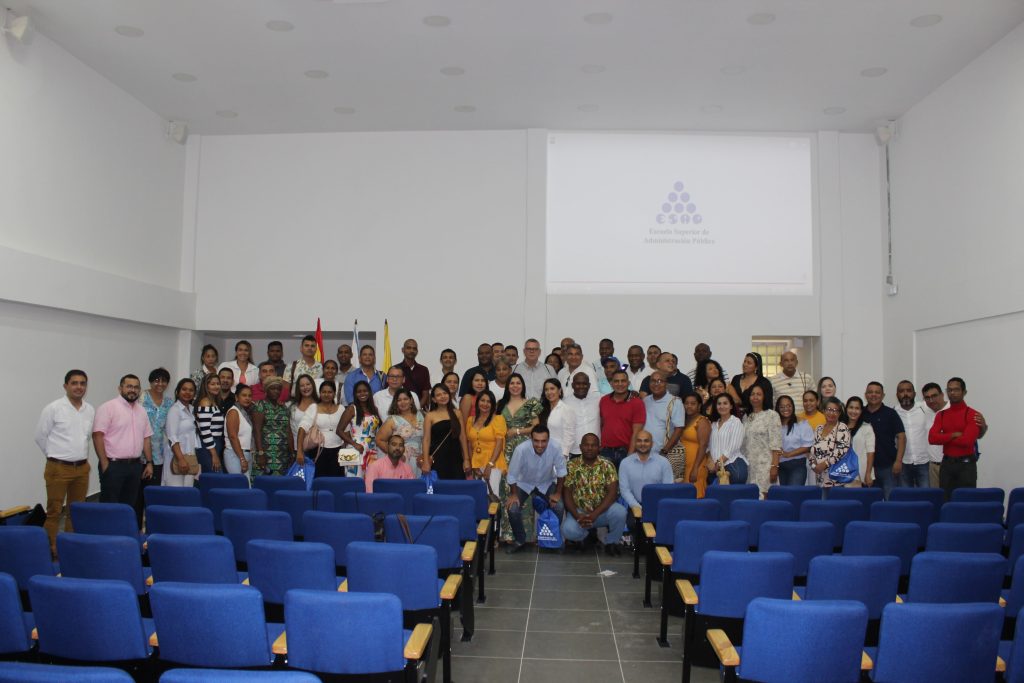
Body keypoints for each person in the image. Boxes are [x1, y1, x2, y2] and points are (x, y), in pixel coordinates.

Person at [35, 369, 95, 556]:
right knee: (54, 511)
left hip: (82, 468)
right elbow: (40, 437)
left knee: (75, 511)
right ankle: (50, 550)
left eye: (82, 383)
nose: (79, 387)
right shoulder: (53, 408)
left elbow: (85, 438)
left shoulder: (89, 410)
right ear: (65, 386)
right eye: (74, 383)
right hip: (58, 468)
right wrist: (55, 456)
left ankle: (70, 547)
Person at [92, 374, 154, 510]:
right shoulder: (108, 408)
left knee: (129, 506)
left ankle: (125, 525)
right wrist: (104, 463)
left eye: (136, 387)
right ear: (120, 388)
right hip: (113, 466)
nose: (133, 390)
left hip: (135, 466)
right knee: (110, 507)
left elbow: (146, 438)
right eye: (129, 386)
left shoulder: (142, 411)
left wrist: (149, 462)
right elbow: (97, 436)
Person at [505, 425, 567, 554]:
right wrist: (514, 494)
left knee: (559, 506)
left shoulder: (555, 447)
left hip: (546, 482)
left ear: (548, 439)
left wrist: (558, 493)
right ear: (530, 438)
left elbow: (561, 471)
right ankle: (520, 540)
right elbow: (512, 475)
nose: (540, 445)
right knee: (513, 508)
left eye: (544, 441)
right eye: (536, 441)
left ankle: (553, 539)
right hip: (524, 483)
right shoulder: (521, 450)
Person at [563, 432, 627, 555]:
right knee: (567, 530)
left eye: (593, 445)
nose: (590, 448)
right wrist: (577, 516)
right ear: (580, 447)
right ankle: (586, 536)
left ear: (599, 448)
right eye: (586, 445)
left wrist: (594, 514)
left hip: (602, 512)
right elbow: (567, 494)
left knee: (620, 512)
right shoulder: (571, 465)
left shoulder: (607, 465)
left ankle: (611, 542)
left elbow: (612, 493)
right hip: (580, 512)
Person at [498, 374, 542, 542]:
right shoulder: (500, 404)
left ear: (523, 385)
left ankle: (527, 534)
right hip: (505, 451)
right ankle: (508, 534)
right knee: (507, 488)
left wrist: (517, 431)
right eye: (512, 383)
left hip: (525, 450)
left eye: (518, 383)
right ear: (507, 386)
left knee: (525, 488)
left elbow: (536, 427)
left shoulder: (531, 403)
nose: (515, 386)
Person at [929, 377, 982, 500]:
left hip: (966, 466)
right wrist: (952, 435)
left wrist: (944, 437)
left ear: (964, 392)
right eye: (949, 390)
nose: (952, 393)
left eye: (956, 389)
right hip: (947, 465)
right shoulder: (941, 414)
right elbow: (932, 438)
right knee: (946, 501)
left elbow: (967, 441)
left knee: (967, 501)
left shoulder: (972, 414)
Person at [137, 368, 173, 527]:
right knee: (137, 495)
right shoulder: (141, 397)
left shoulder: (169, 402)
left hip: (158, 455)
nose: (160, 384)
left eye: (164, 381)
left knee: (152, 494)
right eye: (156, 380)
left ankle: (150, 527)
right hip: (137, 454)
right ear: (151, 381)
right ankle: (136, 527)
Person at [861, 382, 906, 500]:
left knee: (890, 501)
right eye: (870, 392)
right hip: (866, 467)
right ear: (865, 395)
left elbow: (901, 436)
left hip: (888, 466)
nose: (873, 395)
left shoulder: (891, 413)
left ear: (883, 395)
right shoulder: (860, 413)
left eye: (877, 392)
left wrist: (898, 461)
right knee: (868, 501)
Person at [297, 380, 346, 478]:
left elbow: (347, 431)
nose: (326, 395)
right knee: (319, 481)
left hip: (338, 452)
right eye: (324, 392)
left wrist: (346, 449)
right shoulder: (313, 408)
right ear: (320, 393)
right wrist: (299, 451)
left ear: (334, 394)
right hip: (318, 452)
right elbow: (302, 429)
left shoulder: (341, 408)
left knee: (337, 481)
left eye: (329, 392)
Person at [599, 370, 646, 469]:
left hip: (625, 451)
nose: (620, 384)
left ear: (628, 383)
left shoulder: (637, 403)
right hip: (605, 451)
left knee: (624, 479)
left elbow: (637, 432)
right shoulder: (604, 400)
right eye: (616, 381)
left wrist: (630, 456)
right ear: (611, 383)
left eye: (623, 381)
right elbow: (602, 425)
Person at [422, 384, 470, 480]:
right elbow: (426, 440)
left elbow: (462, 437)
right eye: (438, 395)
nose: (443, 396)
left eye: (445, 393)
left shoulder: (457, 413)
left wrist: (466, 459)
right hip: (438, 458)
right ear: (434, 399)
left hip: (456, 457)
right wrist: (426, 461)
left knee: (457, 486)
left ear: (449, 395)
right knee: (439, 486)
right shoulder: (430, 416)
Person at [618, 430, 673, 515]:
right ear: (635, 443)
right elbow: (624, 490)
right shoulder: (625, 463)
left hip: (658, 507)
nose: (642, 444)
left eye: (646, 441)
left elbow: (668, 489)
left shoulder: (663, 462)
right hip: (633, 506)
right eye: (639, 441)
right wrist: (636, 507)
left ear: (652, 443)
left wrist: (655, 507)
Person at [466, 391, 507, 501]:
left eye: (488, 401)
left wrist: (489, 465)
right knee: (479, 497)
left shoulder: (498, 419)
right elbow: (470, 444)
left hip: (493, 462)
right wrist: (473, 465)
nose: (485, 404)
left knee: (491, 496)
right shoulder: (470, 420)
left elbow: (499, 444)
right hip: (477, 463)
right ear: (477, 402)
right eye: (482, 400)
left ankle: (493, 514)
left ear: (492, 404)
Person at [741, 385, 782, 497]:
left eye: (759, 394)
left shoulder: (772, 415)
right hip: (749, 466)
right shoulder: (746, 417)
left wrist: (774, 467)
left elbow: (776, 444)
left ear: (764, 397)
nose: (755, 397)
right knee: (751, 498)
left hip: (765, 465)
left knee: (764, 498)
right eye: (752, 394)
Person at [375, 388, 425, 476]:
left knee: (418, 483)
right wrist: (394, 453)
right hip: (401, 460)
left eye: (405, 399)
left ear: (411, 400)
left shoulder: (421, 415)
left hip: (420, 460)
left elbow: (427, 438)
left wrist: (425, 455)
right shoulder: (392, 420)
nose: (403, 402)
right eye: (399, 400)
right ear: (396, 403)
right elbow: (379, 440)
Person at [252, 376, 294, 478]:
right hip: (266, 452)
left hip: (283, 454)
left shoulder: (284, 408)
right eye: (272, 388)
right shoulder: (260, 405)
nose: (276, 391)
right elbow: (257, 431)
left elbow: (288, 431)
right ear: (266, 390)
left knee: (281, 483)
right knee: (265, 482)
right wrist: (261, 453)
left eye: (278, 389)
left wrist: (292, 453)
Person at [339, 380, 383, 475]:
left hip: (372, 448)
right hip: (353, 448)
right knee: (352, 478)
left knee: (370, 478)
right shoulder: (351, 409)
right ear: (355, 394)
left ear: (369, 392)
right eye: (359, 391)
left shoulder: (374, 409)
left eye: (365, 391)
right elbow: (339, 431)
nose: (362, 393)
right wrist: (354, 444)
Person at [164, 378, 200, 488]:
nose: (187, 392)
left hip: (190, 456)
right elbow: (172, 437)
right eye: (184, 389)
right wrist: (180, 459)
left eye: (191, 390)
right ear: (177, 392)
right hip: (177, 456)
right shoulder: (175, 410)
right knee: (175, 491)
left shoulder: (192, 409)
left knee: (188, 490)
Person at [895, 380, 931, 488]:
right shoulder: (893, 412)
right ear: (897, 395)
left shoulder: (925, 408)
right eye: (901, 391)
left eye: (909, 390)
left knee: (926, 495)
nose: (905, 394)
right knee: (906, 496)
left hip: (924, 462)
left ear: (914, 393)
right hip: (903, 463)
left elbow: (943, 407)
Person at [809, 397, 852, 488]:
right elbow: (812, 451)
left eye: (835, 410)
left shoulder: (842, 428)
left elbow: (842, 451)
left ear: (839, 413)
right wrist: (813, 465)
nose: (832, 413)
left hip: (836, 481)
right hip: (820, 479)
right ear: (824, 411)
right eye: (829, 409)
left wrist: (825, 464)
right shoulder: (818, 429)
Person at [642, 371, 685, 461]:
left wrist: (665, 451)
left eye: (660, 381)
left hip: (664, 454)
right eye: (653, 381)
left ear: (666, 384)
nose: (656, 384)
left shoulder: (675, 402)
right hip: (644, 452)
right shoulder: (645, 401)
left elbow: (679, 429)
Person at [774, 396, 814, 487]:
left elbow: (808, 445)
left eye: (788, 406)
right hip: (780, 465)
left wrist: (788, 454)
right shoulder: (775, 425)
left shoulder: (801, 423)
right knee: (783, 493)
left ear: (793, 407)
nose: (786, 409)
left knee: (793, 492)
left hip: (797, 464)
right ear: (777, 408)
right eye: (782, 406)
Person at [707, 394, 747, 484]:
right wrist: (710, 460)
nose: (722, 406)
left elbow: (733, 446)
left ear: (731, 406)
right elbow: (709, 446)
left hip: (732, 466)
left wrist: (718, 463)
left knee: (733, 493)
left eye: (725, 403)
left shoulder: (736, 422)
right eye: (719, 404)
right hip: (714, 468)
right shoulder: (713, 424)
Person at [563, 373, 601, 458]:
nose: (581, 386)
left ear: (589, 385)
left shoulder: (598, 399)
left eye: (584, 384)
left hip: (596, 450)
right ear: (572, 385)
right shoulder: (565, 403)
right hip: (574, 451)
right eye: (578, 384)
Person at [680, 393, 711, 494]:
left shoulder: (702, 421)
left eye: (693, 403)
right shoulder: (683, 420)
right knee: (684, 495)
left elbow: (703, 445)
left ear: (699, 406)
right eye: (686, 403)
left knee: (696, 495)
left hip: (696, 465)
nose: (689, 406)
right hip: (683, 466)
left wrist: (695, 468)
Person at [539, 378, 576, 461]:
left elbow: (569, 436)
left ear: (559, 391)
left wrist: (563, 455)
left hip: (559, 454)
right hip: (542, 452)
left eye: (552, 389)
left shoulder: (566, 409)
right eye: (546, 390)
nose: (549, 392)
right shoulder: (542, 410)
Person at [194, 373, 225, 474]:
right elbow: (205, 430)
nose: (216, 386)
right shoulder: (205, 402)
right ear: (206, 386)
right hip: (208, 446)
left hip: (214, 444)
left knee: (213, 477)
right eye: (212, 384)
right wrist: (214, 455)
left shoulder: (214, 402)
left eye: (218, 384)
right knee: (215, 477)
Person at [770, 351, 814, 417]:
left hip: (804, 419)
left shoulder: (807, 378)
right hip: (782, 420)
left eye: (792, 360)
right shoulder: (773, 381)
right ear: (781, 364)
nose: (790, 363)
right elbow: (771, 403)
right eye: (786, 360)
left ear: (796, 362)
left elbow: (814, 400)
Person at [921, 382, 949, 488]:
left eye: (934, 396)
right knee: (936, 496)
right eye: (927, 398)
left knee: (951, 496)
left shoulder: (952, 409)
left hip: (950, 465)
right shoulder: (924, 409)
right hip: (932, 466)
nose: (931, 400)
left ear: (942, 395)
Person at [223, 385, 254, 475]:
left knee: (246, 483)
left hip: (244, 453)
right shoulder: (234, 412)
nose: (247, 398)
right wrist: (242, 458)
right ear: (236, 397)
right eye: (244, 395)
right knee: (238, 483)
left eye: (249, 396)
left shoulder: (244, 413)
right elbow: (233, 437)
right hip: (234, 454)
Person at [845, 396, 874, 488]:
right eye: (851, 407)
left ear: (861, 411)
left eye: (857, 408)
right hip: (843, 473)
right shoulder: (840, 427)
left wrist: (868, 473)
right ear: (846, 409)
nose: (853, 411)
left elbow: (870, 452)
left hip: (861, 474)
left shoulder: (866, 428)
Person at [289, 374, 318, 462]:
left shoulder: (320, 405)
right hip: (296, 449)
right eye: (302, 385)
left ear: (313, 385)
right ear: (298, 388)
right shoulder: (292, 406)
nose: (305, 387)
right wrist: (293, 451)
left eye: (308, 384)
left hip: (315, 448)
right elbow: (289, 430)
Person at [395, 338, 431, 406]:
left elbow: (425, 394)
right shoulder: (395, 369)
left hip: (419, 409)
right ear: (403, 350)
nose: (412, 351)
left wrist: (417, 409)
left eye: (414, 348)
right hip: (399, 409)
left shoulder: (423, 370)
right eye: (409, 348)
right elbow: (391, 392)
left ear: (417, 351)